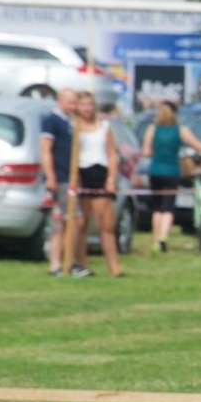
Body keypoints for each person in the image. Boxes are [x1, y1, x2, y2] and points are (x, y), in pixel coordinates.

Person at [140, 101, 201, 252]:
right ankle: (164, 236)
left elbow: (146, 151)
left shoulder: (152, 129)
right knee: (168, 207)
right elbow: (198, 145)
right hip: (172, 171)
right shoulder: (180, 129)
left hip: (155, 170)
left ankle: (156, 241)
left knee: (157, 207)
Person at [71, 91, 121, 277]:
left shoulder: (104, 126)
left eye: (90, 104)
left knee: (105, 225)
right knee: (81, 223)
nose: (87, 108)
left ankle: (114, 267)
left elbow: (111, 154)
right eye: (83, 104)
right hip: (82, 173)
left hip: (100, 173)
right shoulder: (74, 126)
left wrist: (111, 178)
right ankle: (82, 264)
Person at [39, 88, 78, 276]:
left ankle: (69, 261)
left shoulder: (70, 122)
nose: (73, 106)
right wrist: (51, 176)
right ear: (59, 101)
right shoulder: (52, 121)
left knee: (72, 221)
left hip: (70, 179)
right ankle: (56, 263)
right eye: (70, 102)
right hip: (60, 178)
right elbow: (45, 149)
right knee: (61, 223)